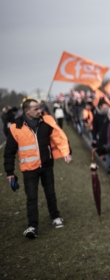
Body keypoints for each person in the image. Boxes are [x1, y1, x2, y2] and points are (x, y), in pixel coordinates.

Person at [4, 99, 72, 239]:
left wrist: (66, 153)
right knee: (32, 198)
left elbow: (59, 137)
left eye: (39, 108)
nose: (39, 110)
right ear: (26, 111)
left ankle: (55, 217)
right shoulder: (15, 127)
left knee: (50, 193)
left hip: (46, 165)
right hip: (29, 169)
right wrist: (9, 172)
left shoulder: (45, 122)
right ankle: (32, 226)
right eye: (35, 109)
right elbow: (9, 151)